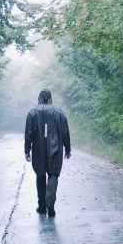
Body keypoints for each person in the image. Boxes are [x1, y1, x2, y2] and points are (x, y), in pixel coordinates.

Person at [24, 88, 71, 217]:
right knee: (53, 174)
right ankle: (50, 201)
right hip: (56, 148)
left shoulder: (33, 113)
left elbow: (29, 133)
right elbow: (65, 131)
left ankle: (42, 205)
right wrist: (67, 149)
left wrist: (27, 150)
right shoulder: (59, 112)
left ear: (39, 97)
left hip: (39, 148)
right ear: (50, 97)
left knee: (40, 174)